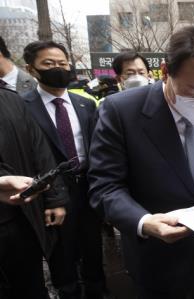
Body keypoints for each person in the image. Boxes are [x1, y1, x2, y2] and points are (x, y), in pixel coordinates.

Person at [88, 26, 194, 299]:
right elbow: (105, 187)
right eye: (191, 90)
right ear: (164, 72)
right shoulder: (120, 111)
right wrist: (143, 221)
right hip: (153, 254)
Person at [21, 41, 106, 299]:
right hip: (51, 191)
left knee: (93, 245)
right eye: (48, 64)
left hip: (87, 186)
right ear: (31, 68)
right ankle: (67, 291)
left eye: (62, 63)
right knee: (62, 250)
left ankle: (97, 290)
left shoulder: (84, 104)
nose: (57, 68)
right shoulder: (23, 107)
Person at [0, 86, 67, 299]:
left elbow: (39, 148)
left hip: (21, 217)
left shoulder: (10, 99)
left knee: (31, 286)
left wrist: (54, 198)